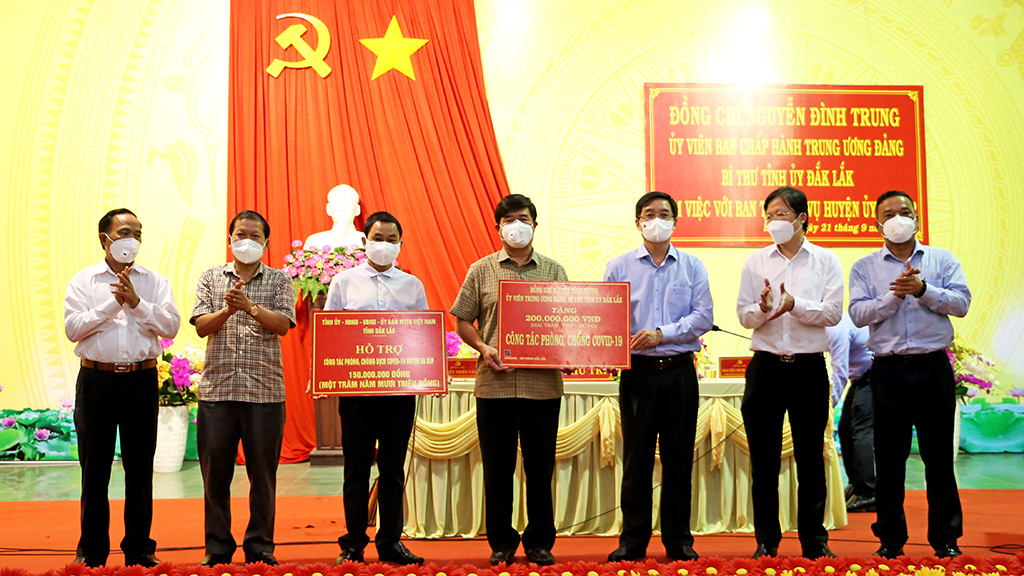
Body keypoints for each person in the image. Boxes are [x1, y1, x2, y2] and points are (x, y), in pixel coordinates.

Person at [849, 190, 970, 559]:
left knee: (938, 459)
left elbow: (962, 303)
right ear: (877, 223)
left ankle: (946, 539)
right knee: (889, 460)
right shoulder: (864, 267)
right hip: (887, 372)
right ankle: (890, 539)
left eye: (905, 212)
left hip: (933, 367)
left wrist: (924, 290)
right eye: (889, 213)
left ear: (917, 218)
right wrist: (895, 298)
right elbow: (857, 314)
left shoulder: (941, 259)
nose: (898, 218)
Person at [450, 194, 568, 566]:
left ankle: (539, 542)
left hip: (543, 388)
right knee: (497, 469)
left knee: (540, 468)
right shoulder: (480, 270)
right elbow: (462, 320)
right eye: (509, 219)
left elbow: (568, 324)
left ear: (535, 224)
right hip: (494, 385)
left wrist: (573, 354)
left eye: (523, 218)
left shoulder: (554, 271)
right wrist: (483, 347)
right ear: (497, 226)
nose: (516, 225)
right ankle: (500, 542)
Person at [63, 208, 180, 567]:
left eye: (138, 233)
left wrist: (136, 302)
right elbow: (73, 329)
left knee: (140, 468)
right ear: (106, 239)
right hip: (96, 381)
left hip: (140, 381)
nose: (133, 239)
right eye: (125, 231)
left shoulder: (154, 282)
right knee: (94, 469)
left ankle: (140, 550)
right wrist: (111, 304)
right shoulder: (83, 282)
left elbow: (171, 326)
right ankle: (92, 551)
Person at [603, 191, 713, 562]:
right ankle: (632, 542)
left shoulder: (693, 266)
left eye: (664, 214)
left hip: (679, 372)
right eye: (649, 214)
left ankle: (679, 541)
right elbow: (606, 319)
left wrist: (661, 334)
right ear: (638, 223)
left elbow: (702, 316)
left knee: (679, 459)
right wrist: (603, 350)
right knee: (636, 461)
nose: (656, 220)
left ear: (675, 221)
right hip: (638, 375)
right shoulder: (619, 268)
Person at [736, 186, 843, 559]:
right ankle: (766, 540)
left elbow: (832, 313)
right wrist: (764, 308)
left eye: (781, 214)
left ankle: (815, 540)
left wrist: (794, 304)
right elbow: (743, 314)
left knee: (811, 458)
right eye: (769, 215)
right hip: (766, 367)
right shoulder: (756, 262)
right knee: (763, 461)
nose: (773, 222)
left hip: (808, 368)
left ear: (802, 218)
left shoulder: (826, 261)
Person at [191, 210, 296, 566]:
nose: (246, 241)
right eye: (240, 235)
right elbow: (201, 326)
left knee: (263, 476)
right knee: (214, 475)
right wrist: (227, 310)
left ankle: (260, 546)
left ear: (266, 243)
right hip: (217, 393)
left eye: (254, 236)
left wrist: (249, 306)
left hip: (264, 393)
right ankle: (217, 547)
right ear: (230, 239)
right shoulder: (210, 277)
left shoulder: (280, 281)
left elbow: (283, 325)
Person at [326, 212, 427, 566]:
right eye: (378, 238)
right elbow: (331, 336)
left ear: (401, 244)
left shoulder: (412, 286)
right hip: (357, 394)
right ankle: (353, 543)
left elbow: (422, 337)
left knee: (393, 469)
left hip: (399, 394)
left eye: (391, 239)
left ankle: (390, 542)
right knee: (355, 468)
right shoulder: (343, 282)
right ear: (364, 240)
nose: (384, 245)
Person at [826, 313, 876, 513]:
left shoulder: (834, 325)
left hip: (873, 374)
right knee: (845, 429)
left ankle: (869, 492)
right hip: (860, 378)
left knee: (860, 429)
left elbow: (839, 369)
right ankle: (857, 483)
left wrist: (829, 404)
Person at [304, 184, 365, 249]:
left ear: (357, 209)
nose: (341, 209)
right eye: (337, 203)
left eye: (347, 203)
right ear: (328, 209)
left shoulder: (369, 241)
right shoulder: (315, 242)